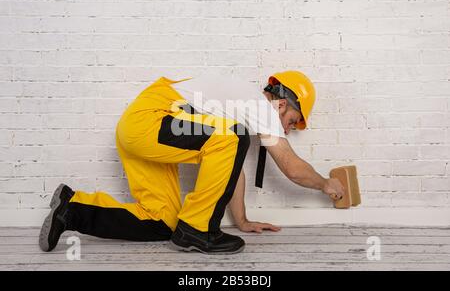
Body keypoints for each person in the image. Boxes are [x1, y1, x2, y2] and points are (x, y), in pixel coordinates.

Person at [39, 70, 344, 255]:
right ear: (282, 100)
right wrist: (325, 184)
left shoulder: (236, 113)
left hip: (140, 132)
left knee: (162, 223)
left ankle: (71, 209)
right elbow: (291, 166)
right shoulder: (256, 104)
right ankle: (198, 229)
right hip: (151, 120)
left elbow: (229, 169)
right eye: (292, 120)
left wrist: (242, 221)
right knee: (234, 138)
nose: (288, 128)